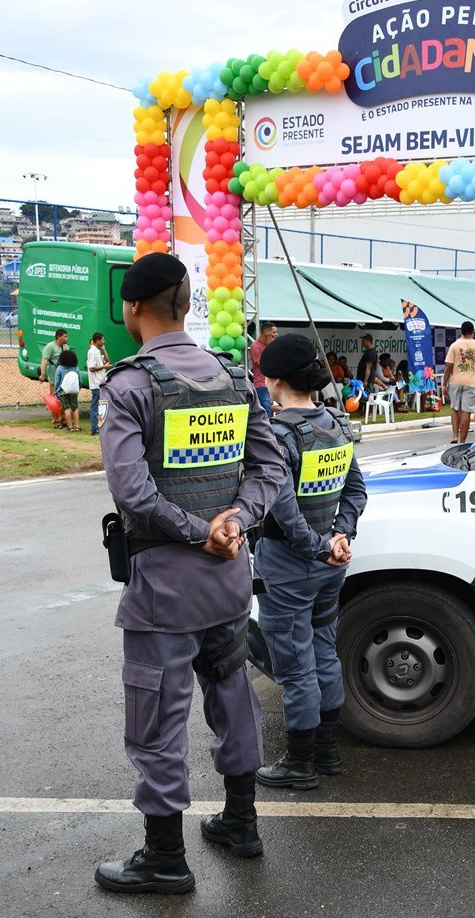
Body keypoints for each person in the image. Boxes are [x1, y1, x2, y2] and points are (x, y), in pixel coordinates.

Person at [94, 252, 287, 895]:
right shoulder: (233, 377)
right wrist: (236, 520)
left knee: (157, 715)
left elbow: (133, 491)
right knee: (232, 692)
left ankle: (164, 858)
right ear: (185, 305)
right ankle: (241, 823)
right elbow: (270, 469)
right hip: (229, 581)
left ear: (133, 309)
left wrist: (199, 529)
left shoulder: (129, 387)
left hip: (166, 590)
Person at [252, 334, 367, 790]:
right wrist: (341, 536)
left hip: (289, 567)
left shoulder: (278, 435)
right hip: (330, 566)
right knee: (324, 653)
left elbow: (283, 512)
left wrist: (320, 545)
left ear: (276, 380)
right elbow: (355, 490)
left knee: (297, 666)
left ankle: (299, 763)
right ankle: (326, 753)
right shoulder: (335, 424)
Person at [442, 321, 475, 445]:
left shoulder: (454, 345)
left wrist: (444, 384)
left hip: (456, 381)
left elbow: (449, 367)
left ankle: (454, 436)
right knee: (466, 411)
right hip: (472, 382)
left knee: (454, 408)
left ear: (461, 331)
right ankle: (462, 440)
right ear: (473, 331)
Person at [39, 328, 69, 427]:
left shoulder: (66, 347)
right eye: (65, 337)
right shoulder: (50, 346)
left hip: (64, 378)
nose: (67, 338)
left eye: (67, 337)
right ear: (58, 337)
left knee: (64, 398)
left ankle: (64, 419)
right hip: (53, 377)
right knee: (54, 398)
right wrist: (42, 374)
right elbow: (44, 360)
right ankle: (56, 420)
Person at [249, 320, 277, 418]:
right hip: (261, 384)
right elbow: (263, 364)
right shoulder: (255, 346)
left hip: (273, 383)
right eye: (274, 332)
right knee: (266, 410)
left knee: (271, 408)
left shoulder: (271, 344)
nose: (276, 334)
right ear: (266, 332)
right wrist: (269, 347)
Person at [87, 332, 110, 435]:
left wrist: (104, 349)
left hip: (100, 382)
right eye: (102, 340)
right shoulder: (92, 352)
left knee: (100, 406)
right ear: (97, 340)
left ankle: (99, 427)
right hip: (96, 383)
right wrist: (104, 367)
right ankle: (94, 428)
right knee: (95, 407)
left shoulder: (97, 351)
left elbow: (107, 360)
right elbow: (91, 368)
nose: (103, 342)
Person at [53, 349, 82, 432]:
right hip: (73, 391)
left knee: (67, 409)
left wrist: (56, 391)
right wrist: (79, 387)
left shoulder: (59, 368)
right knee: (75, 408)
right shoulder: (76, 368)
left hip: (62, 391)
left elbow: (57, 381)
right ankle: (77, 426)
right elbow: (80, 379)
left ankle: (70, 427)